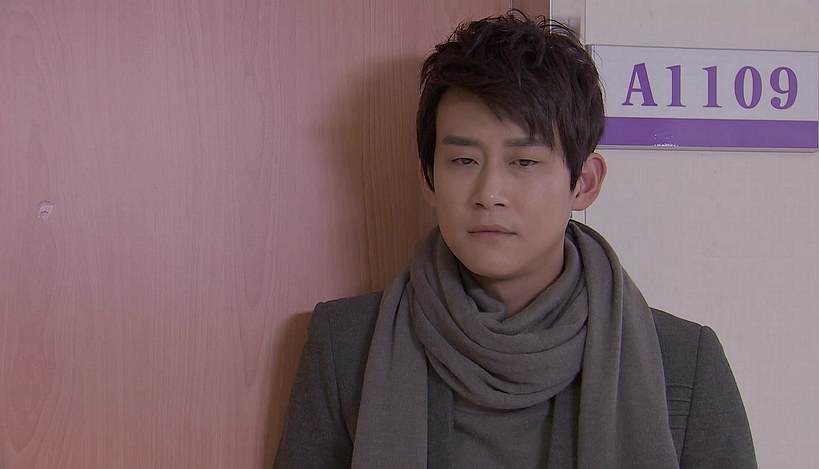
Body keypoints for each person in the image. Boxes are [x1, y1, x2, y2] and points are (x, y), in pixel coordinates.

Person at [274, 12, 756, 469]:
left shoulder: (684, 363)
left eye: (524, 162)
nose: (489, 194)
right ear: (429, 180)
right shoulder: (345, 345)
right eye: (463, 161)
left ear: (584, 182)